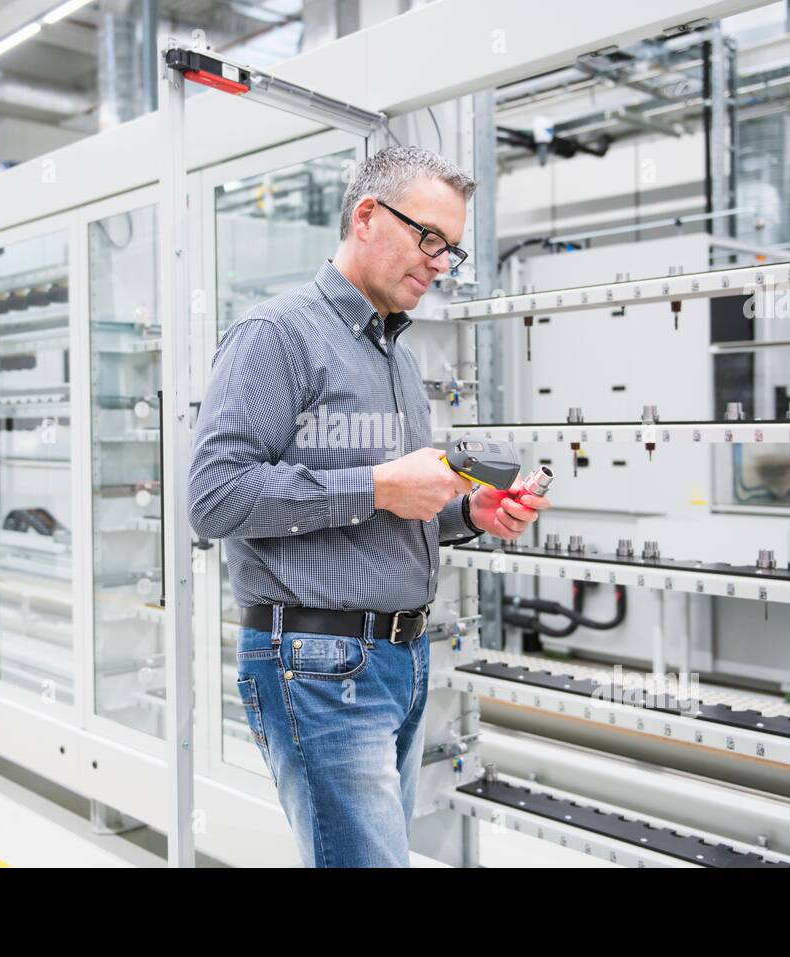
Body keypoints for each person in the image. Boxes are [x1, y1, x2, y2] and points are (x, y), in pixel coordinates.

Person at [188, 145, 549, 867]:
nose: (441, 261)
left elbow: (390, 511)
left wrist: (466, 515)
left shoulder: (395, 357)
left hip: (401, 658)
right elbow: (215, 498)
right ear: (365, 216)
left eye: (451, 246)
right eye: (429, 238)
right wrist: (381, 484)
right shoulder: (278, 336)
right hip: (318, 663)